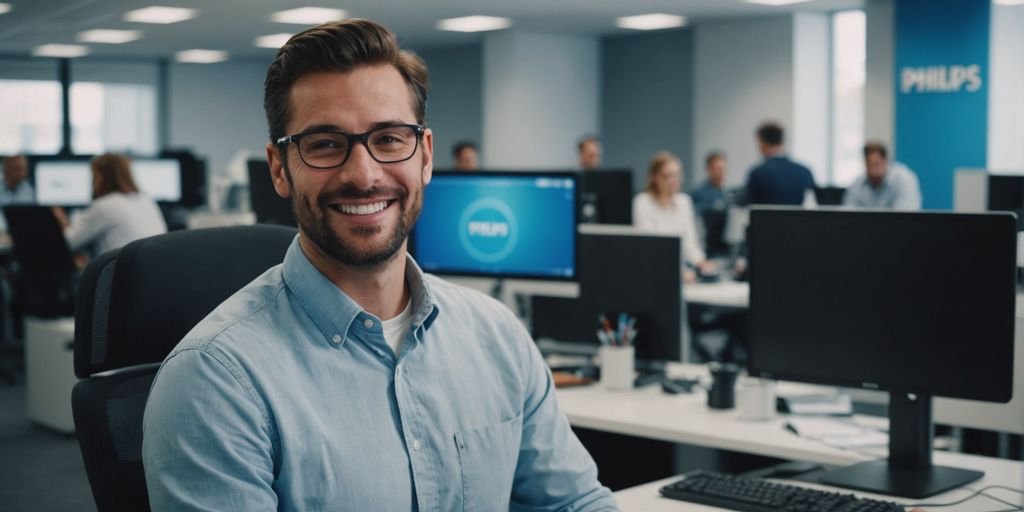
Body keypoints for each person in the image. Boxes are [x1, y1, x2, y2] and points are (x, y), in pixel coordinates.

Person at [142, 19, 616, 511]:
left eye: (389, 139)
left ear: (425, 156)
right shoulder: (215, 381)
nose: (364, 175)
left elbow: (575, 502)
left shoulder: (495, 336)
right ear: (280, 169)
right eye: (325, 144)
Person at [54, 153, 167, 258]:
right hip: (152, 273)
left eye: (94, 177)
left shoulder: (105, 205)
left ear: (102, 177)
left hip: (119, 277)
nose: (92, 183)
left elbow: (67, 243)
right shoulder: (145, 199)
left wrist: (60, 218)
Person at [633, 151, 715, 283]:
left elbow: (689, 242)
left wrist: (701, 262)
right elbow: (650, 247)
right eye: (667, 176)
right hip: (653, 273)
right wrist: (679, 271)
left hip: (681, 272)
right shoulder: (643, 202)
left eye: (677, 175)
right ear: (654, 177)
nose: (674, 180)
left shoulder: (684, 202)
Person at [744, 122, 815, 205]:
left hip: (767, 218)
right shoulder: (805, 171)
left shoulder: (757, 173)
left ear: (762, 142)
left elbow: (748, 202)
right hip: (797, 218)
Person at [843, 141, 922, 210]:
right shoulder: (857, 183)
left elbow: (904, 218)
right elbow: (848, 213)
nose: (872, 170)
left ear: (886, 161)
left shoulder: (905, 180)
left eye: (876, 164)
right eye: (868, 165)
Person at [690, 151, 731, 259]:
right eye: (718, 169)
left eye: (723, 169)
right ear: (709, 170)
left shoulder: (726, 193)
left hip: (724, 249)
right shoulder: (699, 193)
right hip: (707, 249)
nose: (721, 173)